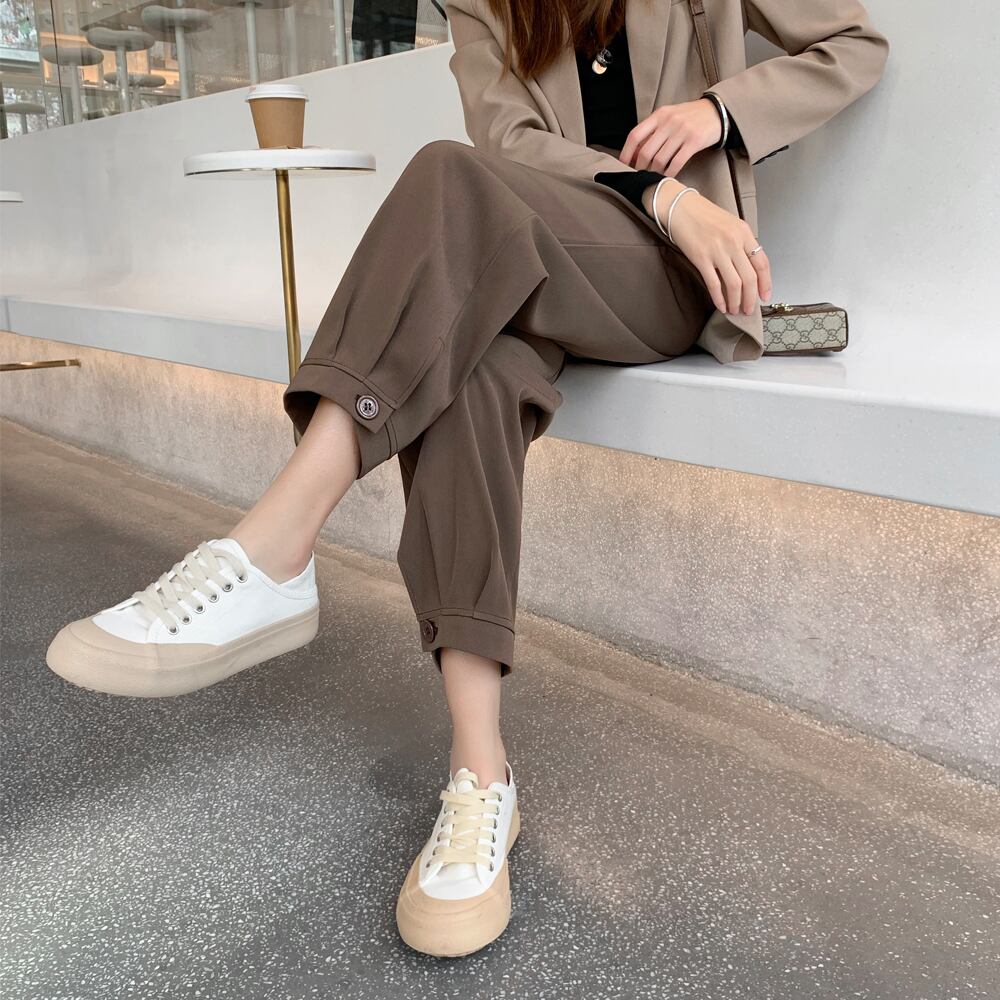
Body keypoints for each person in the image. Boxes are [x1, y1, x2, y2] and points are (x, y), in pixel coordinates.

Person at [45, 0, 889, 959]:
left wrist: (715, 119)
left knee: (447, 177)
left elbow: (853, 46)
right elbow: (511, 142)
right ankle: (481, 776)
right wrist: (652, 189)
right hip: (541, 251)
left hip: (667, 272)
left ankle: (274, 546)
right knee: (471, 371)